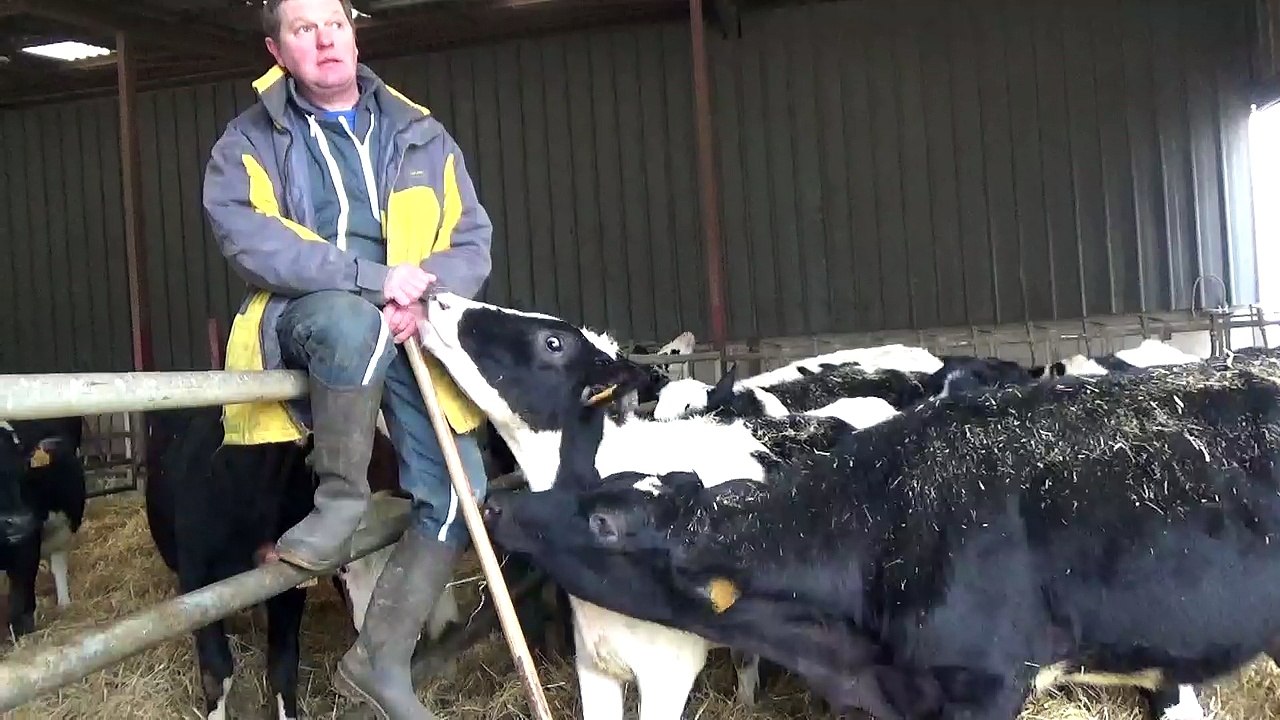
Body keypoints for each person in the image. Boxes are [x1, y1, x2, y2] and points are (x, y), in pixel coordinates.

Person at [201, 0, 493, 715]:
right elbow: (253, 241)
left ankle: (379, 657)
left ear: (354, 34)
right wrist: (372, 281)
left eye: (335, 22)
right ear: (278, 52)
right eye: (304, 29)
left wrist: (423, 297)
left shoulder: (420, 134)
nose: (326, 38)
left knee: (461, 494)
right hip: (315, 315)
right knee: (347, 321)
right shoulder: (247, 142)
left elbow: (470, 237)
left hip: (408, 322)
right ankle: (340, 499)